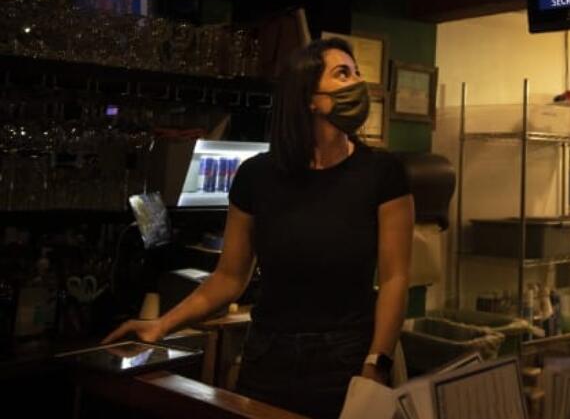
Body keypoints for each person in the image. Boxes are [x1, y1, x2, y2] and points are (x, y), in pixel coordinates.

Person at [104, 38, 414, 419]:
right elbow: (229, 277)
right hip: (268, 357)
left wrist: (376, 363)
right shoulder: (256, 176)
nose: (357, 84)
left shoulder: (382, 173)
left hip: (346, 358)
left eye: (356, 73)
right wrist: (161, 325)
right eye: (343, 74)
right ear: (308, 98)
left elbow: (396, 278)